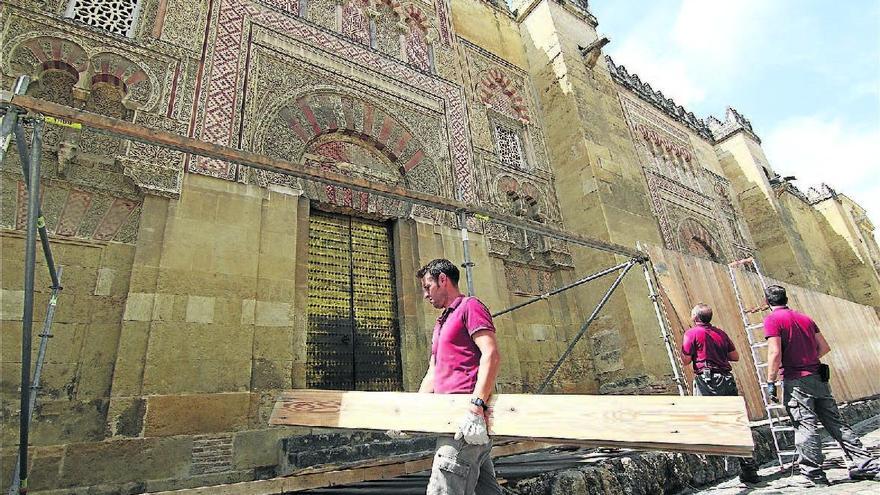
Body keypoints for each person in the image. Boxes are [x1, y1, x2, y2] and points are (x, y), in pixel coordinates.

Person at [764, 285, 879, 485]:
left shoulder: (773, 320)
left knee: (805, 425)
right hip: (818, 377)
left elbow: (774, 353)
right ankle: (866, 464)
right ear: (786, 299)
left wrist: (770, 381)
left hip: (796, 379)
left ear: (767, 301)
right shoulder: (805, 318)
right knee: (836, 422)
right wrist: (808, 359)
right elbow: (824, 347)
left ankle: (813, 474)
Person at [417, 258, 503, 495]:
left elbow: (491, 354)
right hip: (452, 421)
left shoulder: (470, 306)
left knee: (442, 490)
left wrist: (476, 408)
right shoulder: (441, 322)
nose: (426, 295)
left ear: (443, 280)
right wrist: (412, 411)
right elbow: (433, 372)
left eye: (428, 287)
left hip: (465, 422)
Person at [681, 303, 760, 484]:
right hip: (726, 378)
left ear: (695, 318)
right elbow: (735, 356)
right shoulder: (721, 334)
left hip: (707, 380)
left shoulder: (691, 334)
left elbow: (685, 360)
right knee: (734, 422)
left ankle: (706, 459)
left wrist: (696, 353)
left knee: (702, 417)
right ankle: (749, 468)